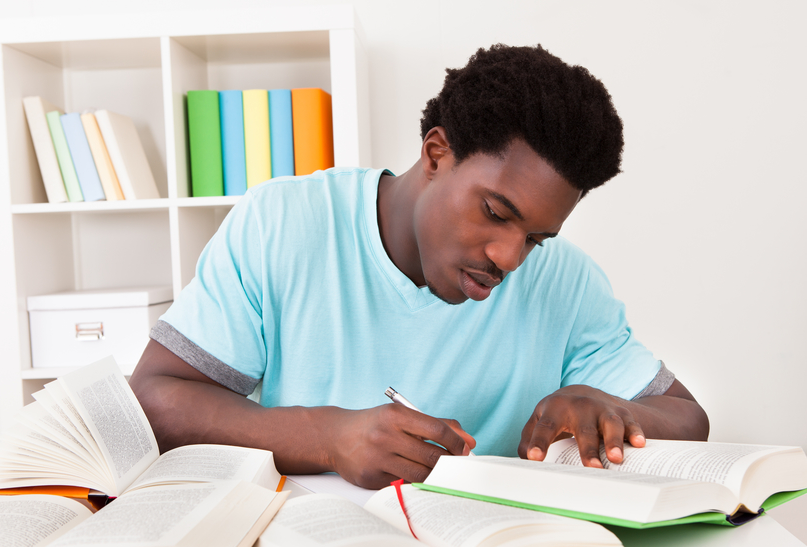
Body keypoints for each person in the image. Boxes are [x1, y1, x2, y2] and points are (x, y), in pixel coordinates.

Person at [129, 44, 709, 489]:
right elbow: (155, 397)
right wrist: (328, 436)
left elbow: (687, 417)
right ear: (437, 154)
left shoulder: (566, 283)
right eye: (494, 212)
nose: (509, 257)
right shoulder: (285, 221)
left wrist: (615, 408)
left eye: (535, 238)